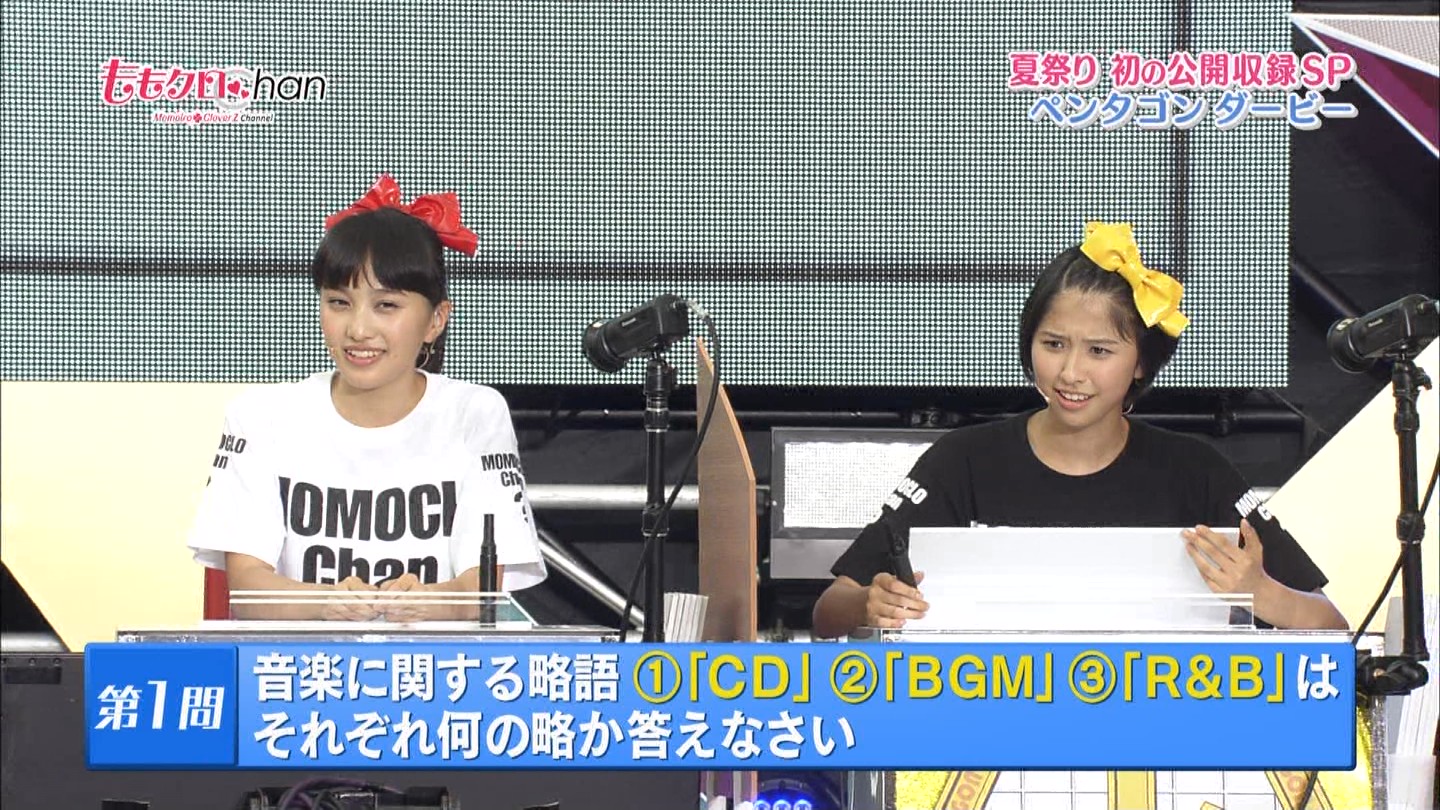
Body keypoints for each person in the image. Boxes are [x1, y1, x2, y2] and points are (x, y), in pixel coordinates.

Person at [812, 222, 1348, 639]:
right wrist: (871, 603)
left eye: (1099, 351)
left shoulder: (1196, 471)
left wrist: (1260, 592)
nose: (1071, 372)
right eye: (1053, 345)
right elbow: (828, 611)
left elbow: (1331, 624)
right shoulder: (961, 461)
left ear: (1142, 362)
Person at [188, 175, 546, 621]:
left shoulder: (475, 412)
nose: (358, 330)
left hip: (436, 661)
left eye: (386, 306)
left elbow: (483, 588)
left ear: (436, 320)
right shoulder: (261, 415)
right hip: (297, 660)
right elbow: (245, 589)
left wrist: (431, 602)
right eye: (339, 303)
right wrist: (325, 602)